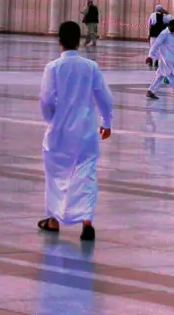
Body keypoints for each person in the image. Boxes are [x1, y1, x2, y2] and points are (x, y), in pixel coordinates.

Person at [37, 20, 113, 240]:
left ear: (59, 40)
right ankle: (86, 221)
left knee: (56, 175)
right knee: (86, 174)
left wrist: (52, 120)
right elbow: (105, 98)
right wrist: (107, 122)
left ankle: (53, 219)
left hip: (59, 133)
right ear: (79, 41)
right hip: (86, 132)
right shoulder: (91, 67)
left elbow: (46, 100)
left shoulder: (53, 68)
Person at [147, 9, 174, 101]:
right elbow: (156, 44)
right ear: (170, 26)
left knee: (160, 76)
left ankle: (151, 91)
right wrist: (150, 56)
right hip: (165, 59)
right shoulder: (164, 34)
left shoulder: (171, 34)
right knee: (173, 76)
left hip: (169, 58)